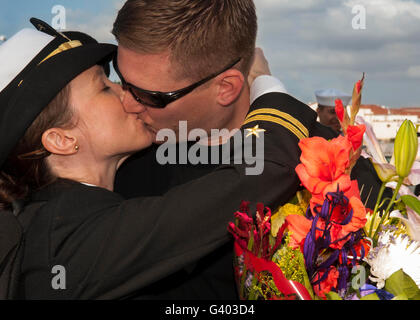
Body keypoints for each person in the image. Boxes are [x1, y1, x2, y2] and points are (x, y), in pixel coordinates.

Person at [0, 19, 310, 299]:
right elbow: (269, 164)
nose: (128, 95)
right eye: (105, 89)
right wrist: (263, 84)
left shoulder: (67, 214)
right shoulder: (71, 237)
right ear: (62, 139)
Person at [111, 0, 387, 299]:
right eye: (119, 78)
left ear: (226, 88)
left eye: (149, 95)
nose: (126, 103)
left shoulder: (338, 168)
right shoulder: (120, 166)